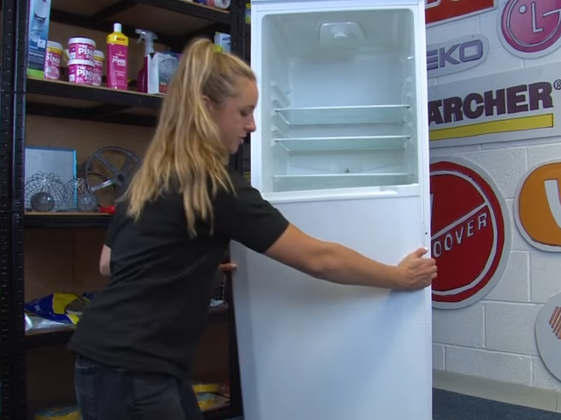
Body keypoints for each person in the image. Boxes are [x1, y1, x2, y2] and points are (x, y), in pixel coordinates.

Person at [68, 38, 437, 420]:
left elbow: (110, 262)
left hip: (118, 360)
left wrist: (193, 264)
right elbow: (318, 258)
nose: (253, 124)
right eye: (243, 111)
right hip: (132, 369)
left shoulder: (157, 172)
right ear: (207, 108)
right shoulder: (214, 184)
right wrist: (397, 276)